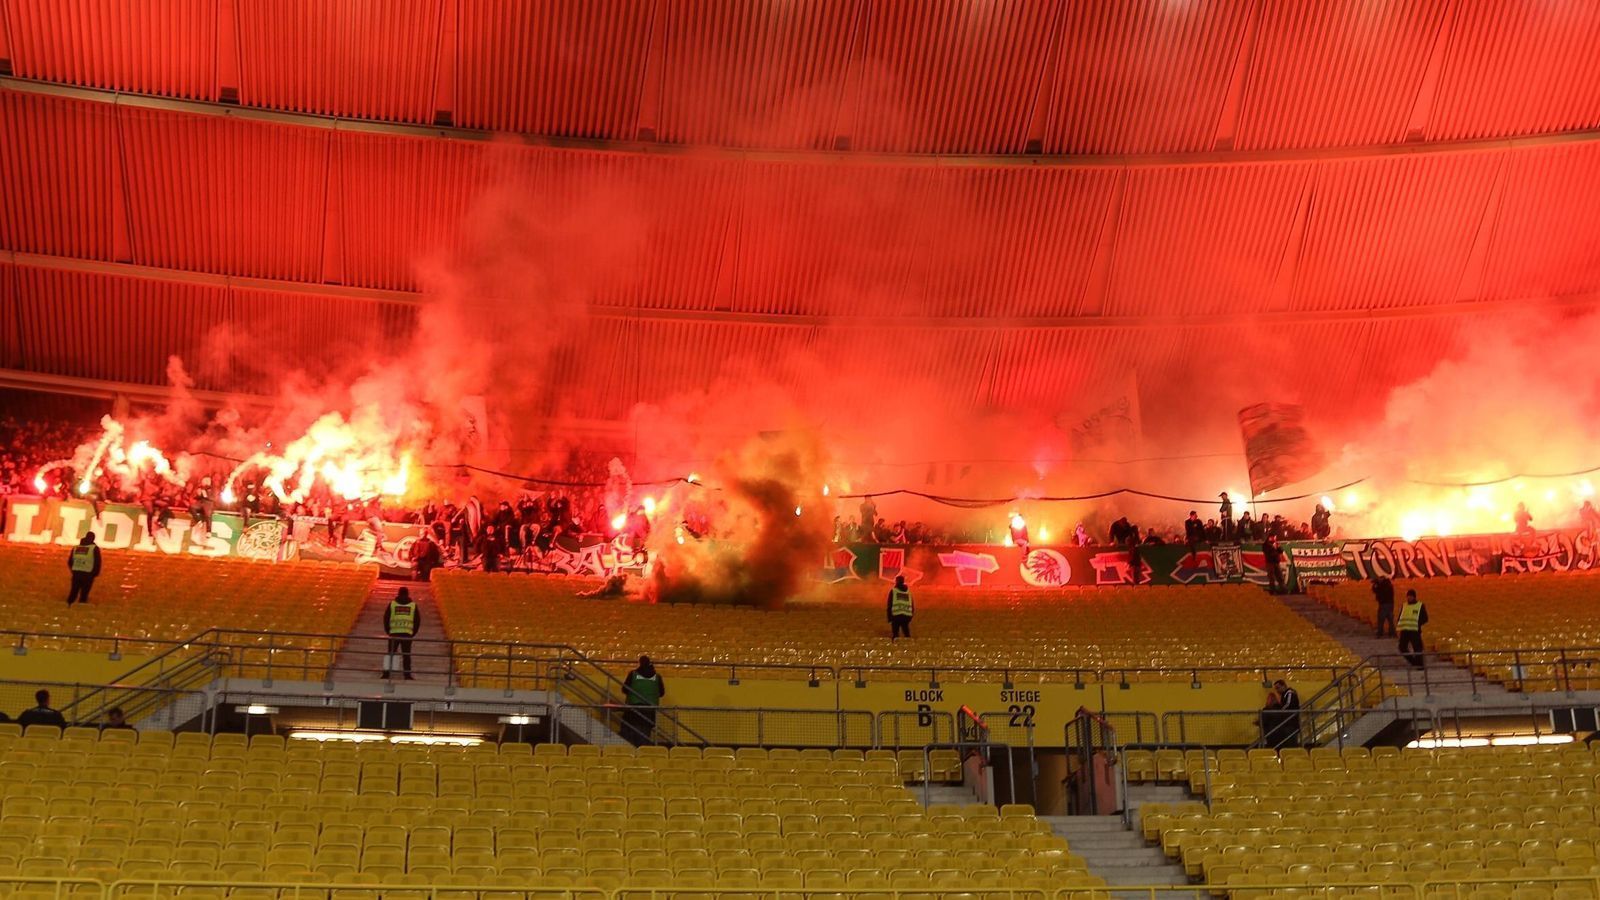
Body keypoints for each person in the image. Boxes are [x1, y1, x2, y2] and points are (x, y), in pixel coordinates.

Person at [621, 655, 665, 746]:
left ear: (639, 663)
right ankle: (643, 751)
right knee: (645, 732)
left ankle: (631, 752)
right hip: (649, 709)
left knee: (630, 731)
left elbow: (624, 689)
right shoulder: (657, 677)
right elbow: (661, 693)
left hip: (634, 708)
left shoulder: (633, 674)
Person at [382, 587, 419, 680]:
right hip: (407, 633)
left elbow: (386, 618)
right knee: (406, 655)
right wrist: (412, 633)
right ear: (408, 594)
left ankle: (386, 674)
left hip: (394, 633)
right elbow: (417, 621)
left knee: (391, 654)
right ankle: (407, 675)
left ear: (398, 593)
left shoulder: (392, 604)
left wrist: (388, 631)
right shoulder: (413, 605)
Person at [65, 531, 102, 606]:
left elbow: (70, 561)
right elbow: (97, 562)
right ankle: (80, 611)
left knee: (73, 593)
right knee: (84, 595)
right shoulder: (94, 548)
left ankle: (67, 608)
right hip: (88, 575)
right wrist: (94, 573)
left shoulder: (76, 548)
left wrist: (74, 570)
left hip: (76, 574)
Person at [1397, 589, 1428, 667]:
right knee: (1402, 648)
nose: (1409, 598)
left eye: (1410, 596)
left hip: (1415, 630)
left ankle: (1419, 665)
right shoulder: (1404, 605)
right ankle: (1414, 662)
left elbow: (1425, 618)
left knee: (1417, 648)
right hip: (1405, 631)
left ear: (1414, 597)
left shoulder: (1420, 605)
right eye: (1408, 596)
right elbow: (1400, 617)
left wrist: (1417, 623)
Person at [1271, 679, 1301, 748]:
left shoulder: (1289, 693)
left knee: (1292, 741)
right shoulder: (1284, 695)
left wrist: (1280, 711)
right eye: (1276, 689)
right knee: (1288, 740)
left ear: (1283, 686)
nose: (1277, 690)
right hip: (1288, 721)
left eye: (1278, 688)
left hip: (1291, 721)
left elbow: (1288, 704)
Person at [886, 575, 914, 639]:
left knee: (895, 634)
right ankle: (909, 646)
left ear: (896, 581)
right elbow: (912, 605)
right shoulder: (908, 592)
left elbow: (890, 604)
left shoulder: (894, 591)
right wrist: (910, 616)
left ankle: (896, 647)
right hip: (906, 616)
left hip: (896, 615)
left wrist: (889, 617)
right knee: (907, 633)